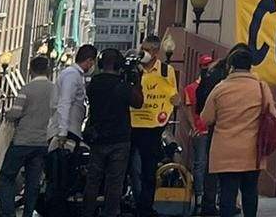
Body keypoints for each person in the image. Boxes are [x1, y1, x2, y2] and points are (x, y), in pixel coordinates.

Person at [200, 47, 276, 217]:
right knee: (250, 191)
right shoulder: (261, 87)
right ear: (251, 66)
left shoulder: (221, 88)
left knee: (228, 192)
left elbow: (206, 118)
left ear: (231, 67)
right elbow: (272, 114)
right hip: (253, 150)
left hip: (225, 150)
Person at [83, 49, 144, 217]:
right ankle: (110, 213)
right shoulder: (122, 85)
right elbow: (138, 102)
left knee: (93, 180)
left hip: (97, 137)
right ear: (118, 65)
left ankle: (88, 212)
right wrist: (137, 81)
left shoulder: (94, 83)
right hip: (119, 139)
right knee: (115, 181)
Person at [0, 56, 54, 217]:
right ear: (48, 71)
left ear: (31, 70)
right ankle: (28, 214)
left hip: (23, 141)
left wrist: (7, 114)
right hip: (42, 143)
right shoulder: (54, 89)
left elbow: (15, 113)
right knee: (33, 182)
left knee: (6, 176)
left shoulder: (26, 89)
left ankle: (8, 213)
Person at [47, 45, 97, 217]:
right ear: (90, 61)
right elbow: (65, 103)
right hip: (66, 133)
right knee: (62, 177)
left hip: (70, 131)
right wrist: (62, 133)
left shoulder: (76, 76)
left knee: (66, 176)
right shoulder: (72, 76)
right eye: (93, 62)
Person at [131, 36, 179, 217]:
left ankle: (145, 207)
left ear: (156, 52)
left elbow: (172, 97)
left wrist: (174, 104)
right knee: (127, 167)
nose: (144, 52)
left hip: (153, 127)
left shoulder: (167, 71)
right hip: (132, 124)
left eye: (149, 49)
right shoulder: (134, 69)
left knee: (149, 170)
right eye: (143, 48)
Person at [183, 54, 216, 217]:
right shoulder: (195, 88)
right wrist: (195, 126)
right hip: (204, 130)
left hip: (204, 130)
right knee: (203, 164)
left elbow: (188, 109)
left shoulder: (192, 88)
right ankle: (202, 195)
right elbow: (188, 109)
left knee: (201, 164)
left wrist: (194, 126)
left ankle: (202, 195)